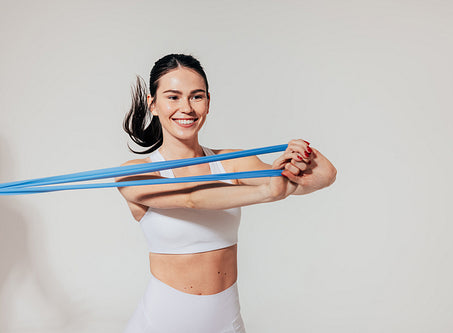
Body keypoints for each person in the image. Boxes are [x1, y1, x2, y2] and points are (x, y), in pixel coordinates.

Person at [116, 54, 336, 333]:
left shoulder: (231, 161)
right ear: (153, 104)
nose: (186, 108)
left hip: (227, 322)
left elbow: (325, 176)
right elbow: (191, 199)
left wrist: (301, 153)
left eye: (196, 97)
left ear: (208, 102)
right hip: (162, 322)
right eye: (173, 97)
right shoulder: (133, 173)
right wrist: (269, 190)